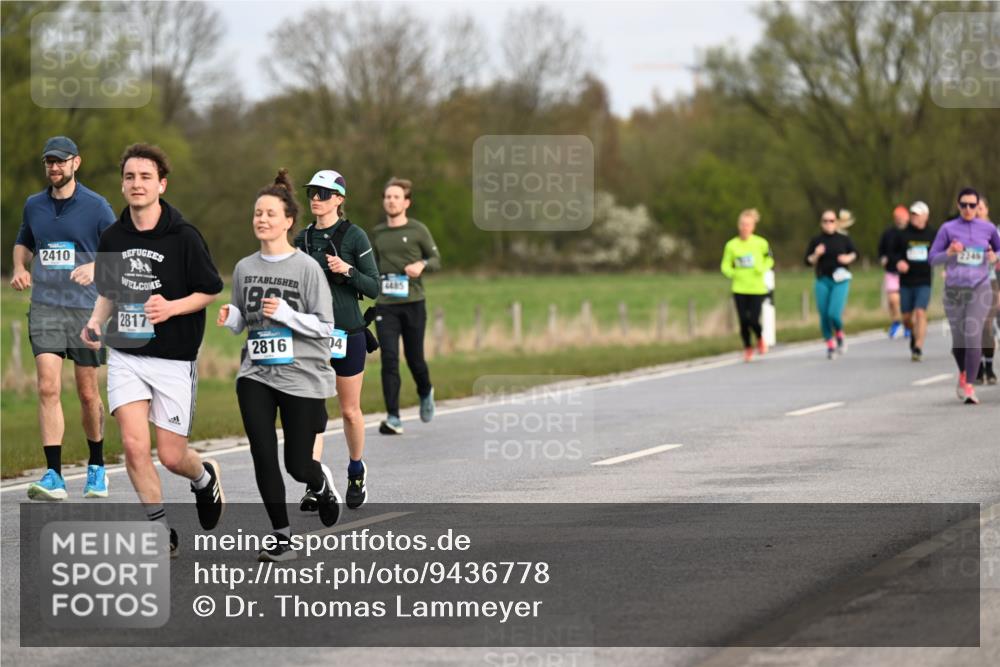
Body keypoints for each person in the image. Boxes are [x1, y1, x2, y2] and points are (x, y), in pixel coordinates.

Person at [80, 143, 225, 555]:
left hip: (174, 358)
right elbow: (109, 290)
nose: (137, 184)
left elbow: (210, 290)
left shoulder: (184, 236)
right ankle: (160, 529)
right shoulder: (113, 236)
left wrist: (171, 306)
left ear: (162, 184)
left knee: (173, 455)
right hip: (127, 353)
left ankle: (203, 479)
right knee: (132, 444)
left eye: (146, 177)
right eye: (130, 177)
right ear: (122, 184)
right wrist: (95, 320)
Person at [219, 169, 341, 561]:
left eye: (270, 213)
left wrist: (288, 314)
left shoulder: (306, 268)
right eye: (257, 213)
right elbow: (246, 323)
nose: (262, 219)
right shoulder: (243, 268)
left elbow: (325, 327)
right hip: (256, 372)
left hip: (301, 376)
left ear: (288, 220)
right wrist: (232, 317)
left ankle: (319, 483)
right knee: (262, 450)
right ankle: (280, 533)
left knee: (297, 464)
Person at [12, 136, 116, 500]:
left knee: (88, 393)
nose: (54, 167)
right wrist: (18, 267)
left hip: (86, 309)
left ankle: (97, 467)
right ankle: (54, 475)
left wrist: (94, 267)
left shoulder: (98, 206)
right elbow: (24, 241)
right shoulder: (34, 205)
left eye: (60, 161)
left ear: (76, 163)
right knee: (47, 386)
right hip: (45, 306)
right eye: (49, 162)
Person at [293, 170, 379, 512]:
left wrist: (347, 270)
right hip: (312, 336)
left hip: (348, 333)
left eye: (324, 193)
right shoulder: (301, 239)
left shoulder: (354, 236)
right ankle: (315, 483)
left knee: (349, 410)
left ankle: (356, 470)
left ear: (339, 199)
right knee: (313, 409)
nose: (316, 197)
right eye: (312, 191)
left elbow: (374, 287)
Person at [371, 178, 441, 435]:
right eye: (388, 196)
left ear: (406, 202)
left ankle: (425, 390)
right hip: (386, 305)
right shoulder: (377, 234)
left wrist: (421, 265)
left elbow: (436, 259)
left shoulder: (417, 230)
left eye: (396, 197)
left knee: (415, 359)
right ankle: (393, 417)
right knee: (389, 359)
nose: (391, 200)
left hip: (413, 303)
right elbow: (373, 266)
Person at [928, 188, 1000, 405]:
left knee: (973, 334)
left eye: (972, 205)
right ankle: (963, 373)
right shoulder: (947, 229)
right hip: (954, 290)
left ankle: (969, 384)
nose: (968, 209)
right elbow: (932, 259)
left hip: (980, 286)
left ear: (978, 206)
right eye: (964, 205)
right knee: (959, 341)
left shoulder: (987, 228)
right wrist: (949, 253)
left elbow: (999, 250)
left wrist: (992, 255)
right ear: (958, 206)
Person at [720, 208, 774, 362]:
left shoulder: (761, 243)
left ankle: (759, 337)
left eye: (748, 225)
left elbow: (770, 259)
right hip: (739, 287)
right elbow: (725, 265)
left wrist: (762, 268)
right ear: (739, 226)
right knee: (743, 320)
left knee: (754, 320)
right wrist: (732, 273)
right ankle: (747, 347)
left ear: (753, 227)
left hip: (757, 288)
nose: (745, 227)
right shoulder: (731, 245)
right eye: (742, 224)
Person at [805, 209, 859, 359]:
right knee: (823, 315)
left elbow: (855, 253)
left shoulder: (843, 239)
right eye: (825, 221)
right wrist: (816, 254)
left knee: (833, 313)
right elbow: (808, 261)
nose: (828, 223)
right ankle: (830, 344)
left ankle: (840, 334)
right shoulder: (816, 241)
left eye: (831, 220)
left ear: (836, 222)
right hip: (823, 279)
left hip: (840, 280)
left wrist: (848, 258)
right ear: (821, 223)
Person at [889, 201, 935, 362]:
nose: (914, 217)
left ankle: (918, 347)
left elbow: (940, 252)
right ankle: (914, 334)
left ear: (925, 216)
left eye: (918, 214)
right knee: (907, 318)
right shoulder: (902, 235)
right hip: (907, 282)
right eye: (913, 214)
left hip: (924, 280)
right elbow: (892, 254)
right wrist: (898, 262)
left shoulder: (932, 234)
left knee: (920, 312)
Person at [974, 196, 998, 385]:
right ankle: (977, 368)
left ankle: (989, 367)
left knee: (987, 325)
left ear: (986, 209)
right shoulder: (966, 233)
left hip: (991, 282)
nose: (977, 211)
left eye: (980, 207)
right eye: (974, 208)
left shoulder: (995, 232)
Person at [878, 206, 910, 339]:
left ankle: (908, 324)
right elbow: (881, 249)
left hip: (908, 272)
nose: (899, 220)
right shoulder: (888, 233)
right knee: (893, 299)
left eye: (902, 217)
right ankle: (896, 321)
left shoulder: (911, 233)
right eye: (897, 217)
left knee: (905, 300)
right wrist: (882, 258)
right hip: (892, 270)